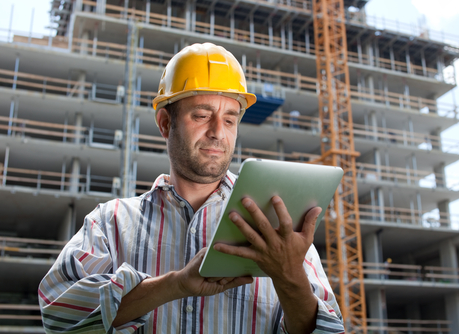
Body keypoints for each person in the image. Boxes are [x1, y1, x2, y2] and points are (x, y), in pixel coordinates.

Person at [38, 43, 344, 333]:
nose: (217, 133)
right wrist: (174, 285)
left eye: (229, 119)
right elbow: (58, 315)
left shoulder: (276, 225)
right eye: (201, 115)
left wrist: (289, 277)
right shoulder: (111, 223)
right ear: (165, 123)